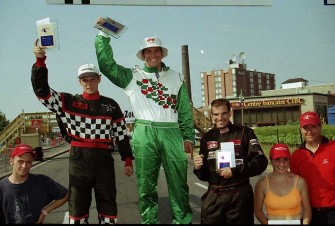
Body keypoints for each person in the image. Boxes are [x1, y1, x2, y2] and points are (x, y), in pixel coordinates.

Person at [95, 17, 195, 224]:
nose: (152, 55)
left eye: (156, 51)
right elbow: (106, 65)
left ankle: (182, 221)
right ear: (142, 55)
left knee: (179, 184)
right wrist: (103, 35)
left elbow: (184, 110)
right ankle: (149, 222)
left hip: (171, 131)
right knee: (146, 186)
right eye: (148, 52)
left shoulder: (176, 77)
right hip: (144, 132)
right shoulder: (133, 75)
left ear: (162, 53)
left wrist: (188, 137)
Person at [31, 39, 134, 224]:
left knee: (108, 204)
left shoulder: (111, 104)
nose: (89, 83)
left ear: (99, 79)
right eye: (85, 79)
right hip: (79, 158)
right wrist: (40, 61)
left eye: (92, 79)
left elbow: (120, 134)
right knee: (78, 206)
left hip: (104, 157)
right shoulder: (68, 102)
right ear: (79, 81)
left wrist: (127, 159)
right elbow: (43, 93)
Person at [193, 98, 268, 224]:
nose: (220, 118)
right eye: (216, 114)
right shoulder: (207, 138)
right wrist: (198, 168)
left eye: (224, 113)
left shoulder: (245, 133)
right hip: (214, 196)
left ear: (230, 113)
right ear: (211, 114)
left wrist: (235, 171)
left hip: (239, 197)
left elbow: (261, 162)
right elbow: (204, 175)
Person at [0, 144, 68, 224]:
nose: (24, 166)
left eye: (28, 162)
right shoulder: (2, 187)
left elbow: (65, 194)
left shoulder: (42, 181)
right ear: (11, 161)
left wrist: (45, 211)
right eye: (20, 161)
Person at [290, 111, 335, 224]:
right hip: (309, 214)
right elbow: (296, 187)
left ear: (320, 127)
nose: (309, 131)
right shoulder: (296, 155)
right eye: (306, 127)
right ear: (301, 130)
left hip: (334, 213)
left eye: (313, 127)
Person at [254, 143, 312, 225]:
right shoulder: (262, 184)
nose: (281, 164)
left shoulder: (300, 182)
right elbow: (257, 210)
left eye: (285, 159)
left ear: (289, 160)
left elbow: (307, 209)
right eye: (277, 159)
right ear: (271, 160)